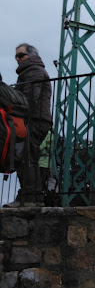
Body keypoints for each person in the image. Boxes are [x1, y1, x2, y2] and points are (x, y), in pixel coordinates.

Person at [7, 43, 52, 207]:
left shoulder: (33, 71)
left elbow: (29, 97)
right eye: (16, 57)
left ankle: (28, 198)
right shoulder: (32, 70)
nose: (18, 59)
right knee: (29, 158)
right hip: (37, 119)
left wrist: (16, 114)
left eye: (21, 55)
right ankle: (34, 197)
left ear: (31, 56)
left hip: (34, 120)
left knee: (26, 159)